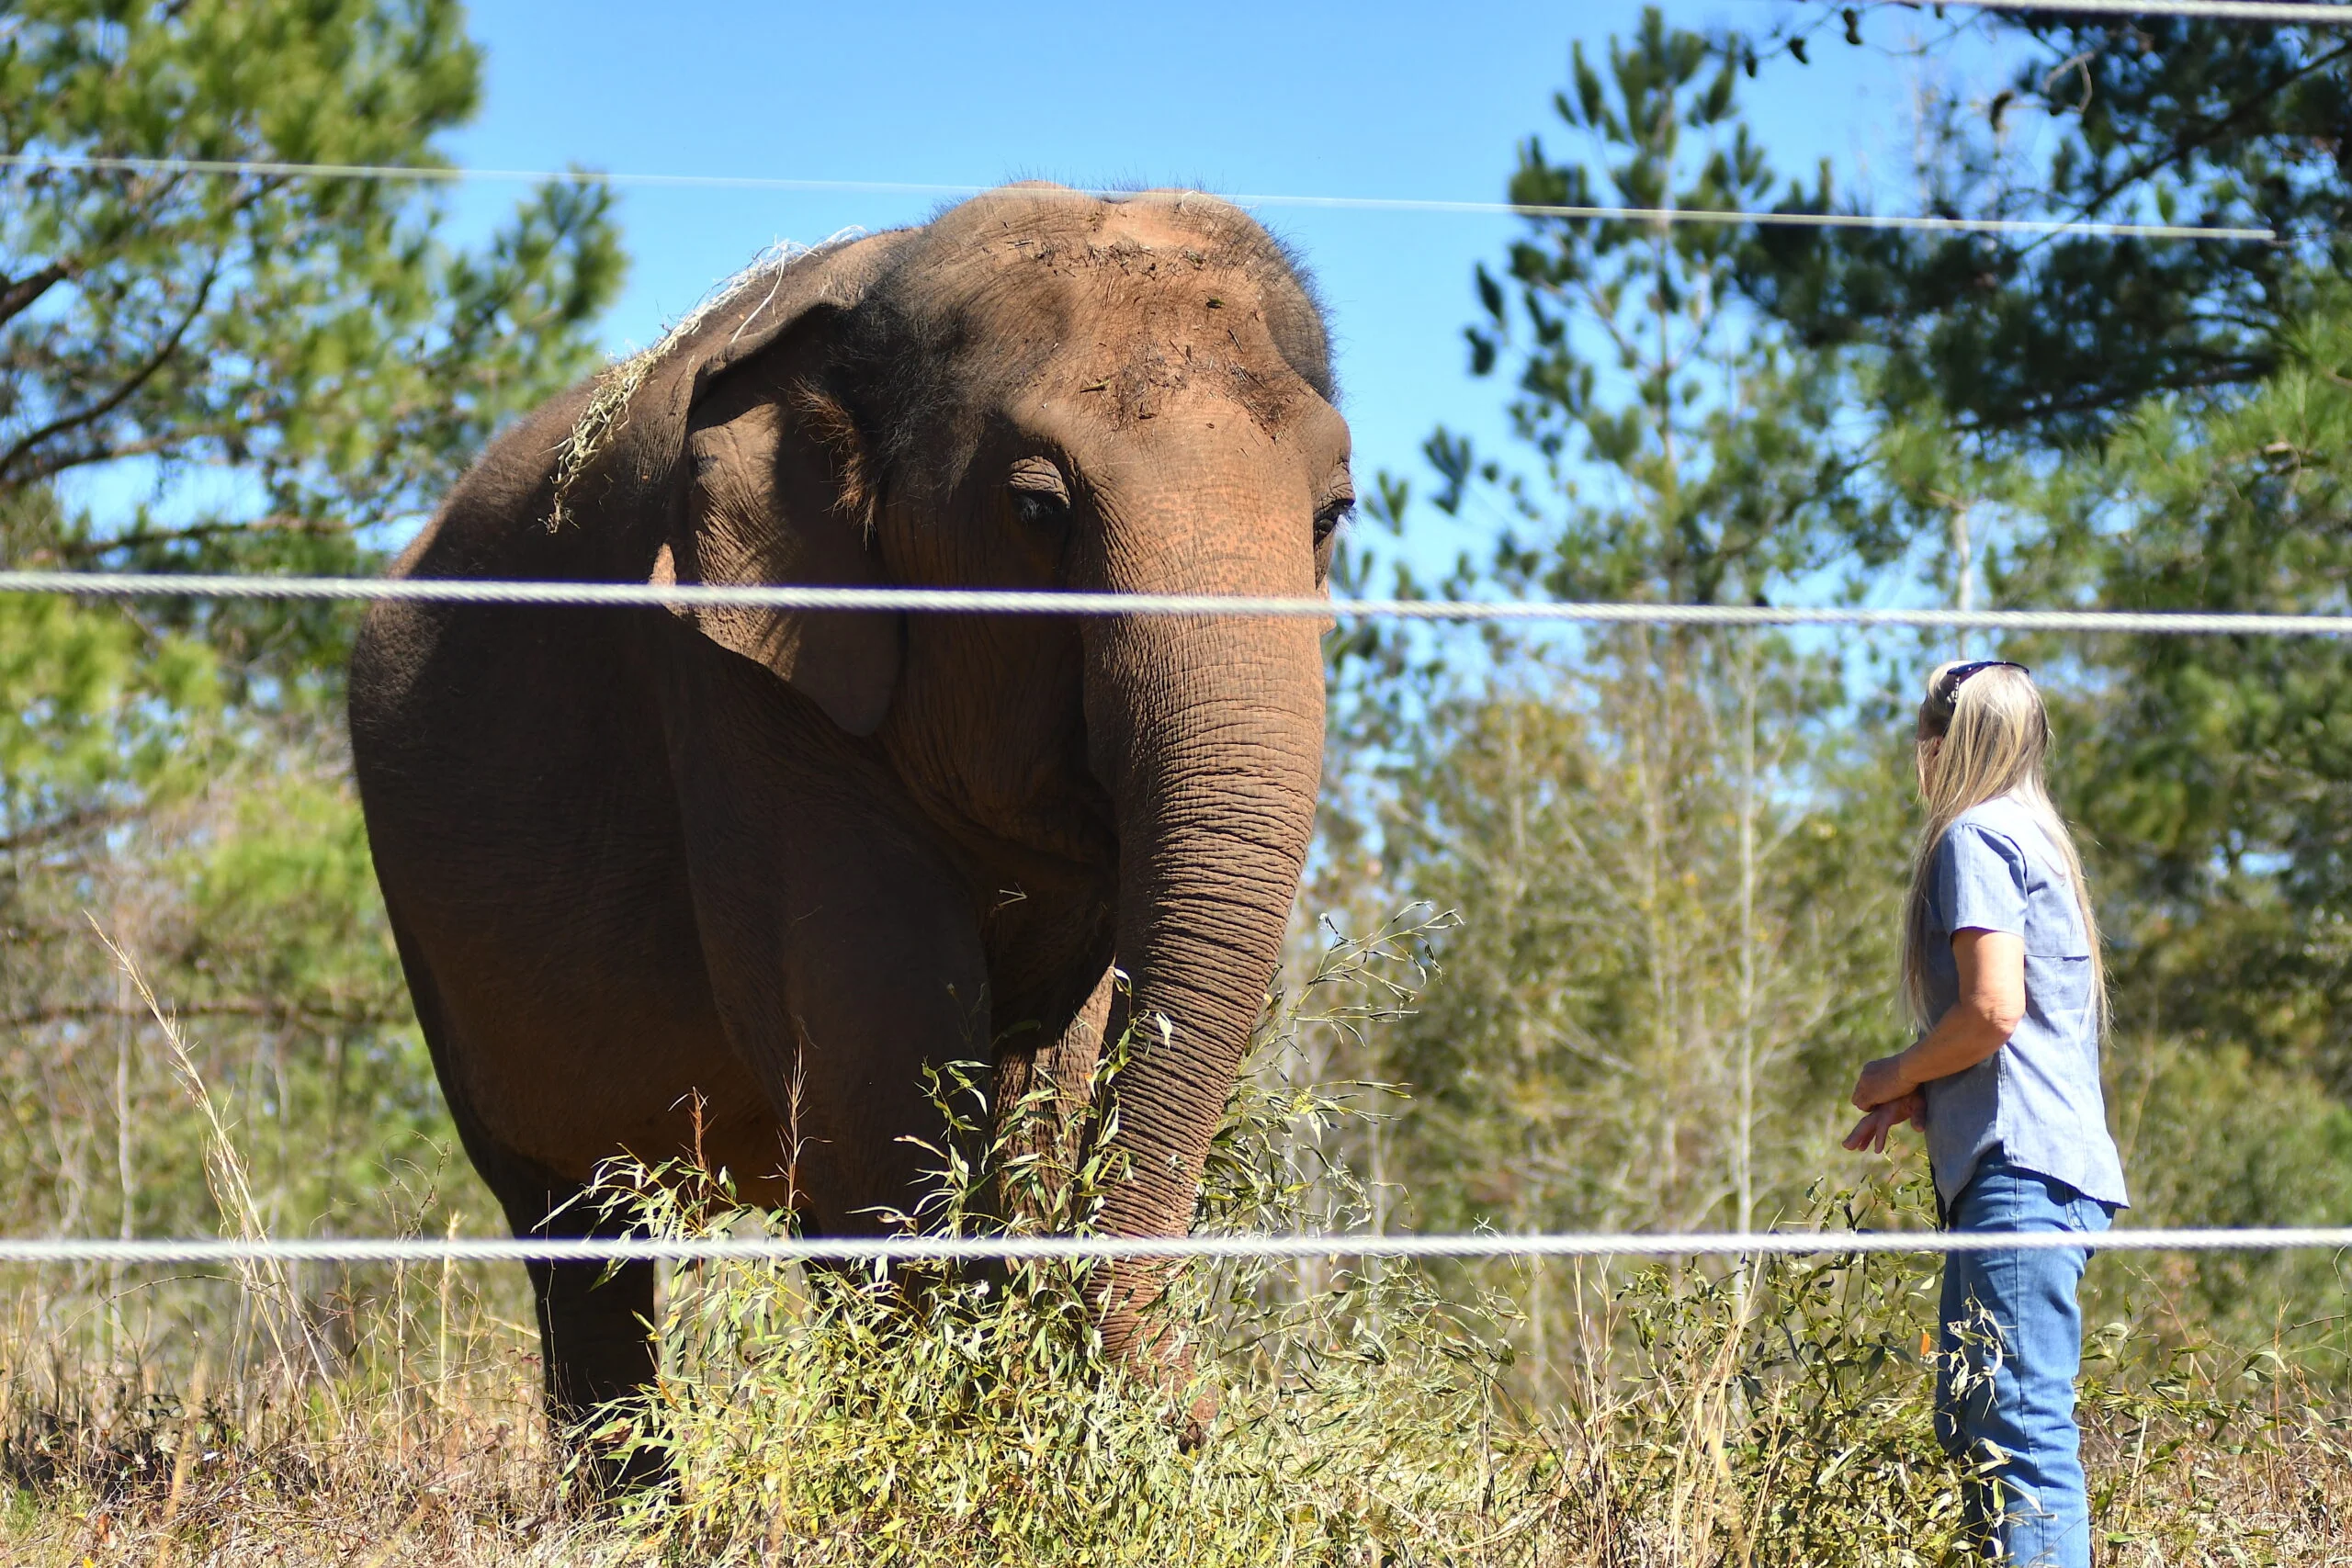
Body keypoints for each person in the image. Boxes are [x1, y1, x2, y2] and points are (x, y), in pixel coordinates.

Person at [1844, 659, 2130, 1568]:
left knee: (2017, 1435)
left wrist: (1889, 1069)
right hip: (2037, 1169)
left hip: (2018, 1176)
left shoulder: (1972, 838)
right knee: (1974, 1421)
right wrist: (1933, 1088)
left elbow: (1993, 1012)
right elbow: (2017, 1029)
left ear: (1938, 749)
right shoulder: (2036, 838)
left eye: (1919, 751)